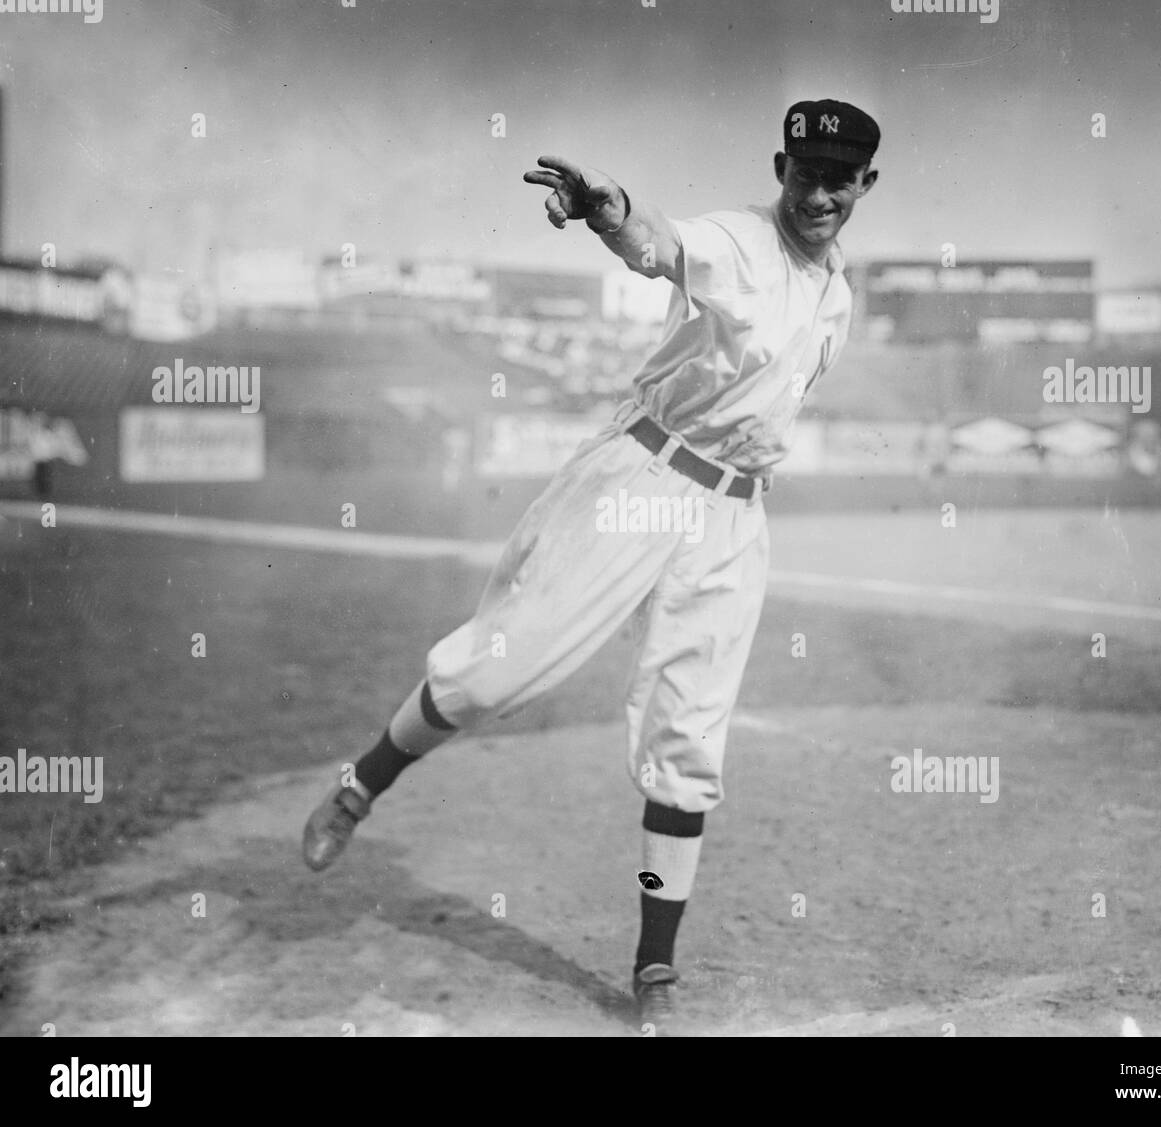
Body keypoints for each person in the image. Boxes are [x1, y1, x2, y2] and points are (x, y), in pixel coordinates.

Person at [303, 98, 880, 1035]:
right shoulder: (739, 241)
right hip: (648, 472)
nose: (821, 192)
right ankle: (361, 783)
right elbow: (657, 244)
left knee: (690, 741)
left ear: (865, 185)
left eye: (841, 177)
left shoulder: (839, 296)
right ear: (782, 169)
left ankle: (655, 965)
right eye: (807, 172)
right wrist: (610, 209)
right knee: (501, 666)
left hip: (734, 516)